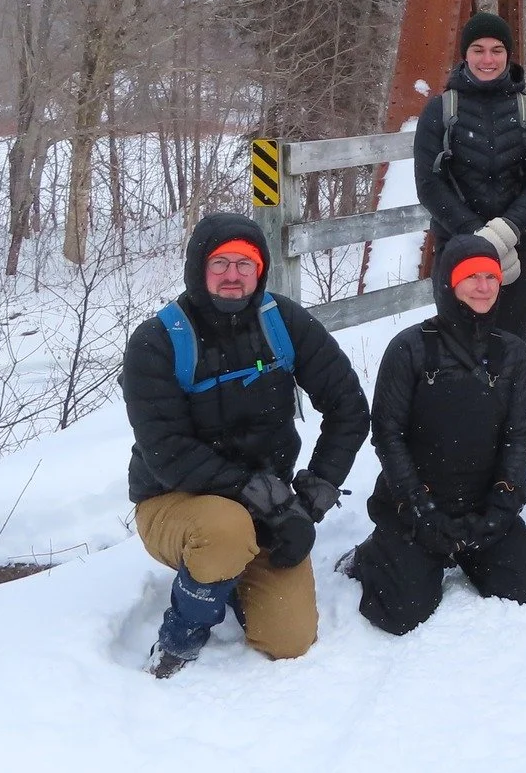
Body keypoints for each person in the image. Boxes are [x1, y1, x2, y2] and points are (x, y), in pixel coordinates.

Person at [122, 212, 370, 677]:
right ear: (199, 268)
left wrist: (316, 490)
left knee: (290, 639)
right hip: (175, 500)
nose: (233, 276)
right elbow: (167, 452)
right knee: (226, 530)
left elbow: (348, 406)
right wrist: (263, 499)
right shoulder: (158, 343)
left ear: (260, 271)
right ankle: (182, 634)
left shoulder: (283, 324)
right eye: (220, 263)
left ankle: (230, 576)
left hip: (262, 502)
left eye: (245, 264)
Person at [346, 234, 526, 634]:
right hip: (417, 507)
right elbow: (387, 435)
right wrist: (421, 509)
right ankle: (373, 554)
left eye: (491, 276)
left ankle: (471, 548)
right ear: (448, 283)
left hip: (482, 504)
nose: (483, 285)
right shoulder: (409, 349)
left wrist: (502, 503)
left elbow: (518, 434)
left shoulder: (511, 352)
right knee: (402, 612)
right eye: (470, 276)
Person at [413, 12, 526, 345]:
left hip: (518, 250)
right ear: (465, 54)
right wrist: (476, 235)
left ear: (508, 55)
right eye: (478, 49)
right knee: (458, 351)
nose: (487, 59)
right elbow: (428, 184)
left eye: (497, 50)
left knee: (512, 350)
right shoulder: (440, 112)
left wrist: (504, 231)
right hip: (457, 248)